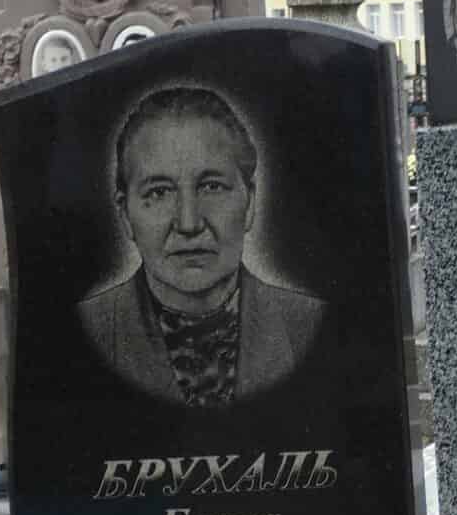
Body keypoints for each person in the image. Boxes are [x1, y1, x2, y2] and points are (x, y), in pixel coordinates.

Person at [78, 86, 323, 407]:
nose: (189, 223)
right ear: (125, 215)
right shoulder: (86, 332)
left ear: (250, 203)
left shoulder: (309, 324)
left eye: (211, 187)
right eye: (159, 192)